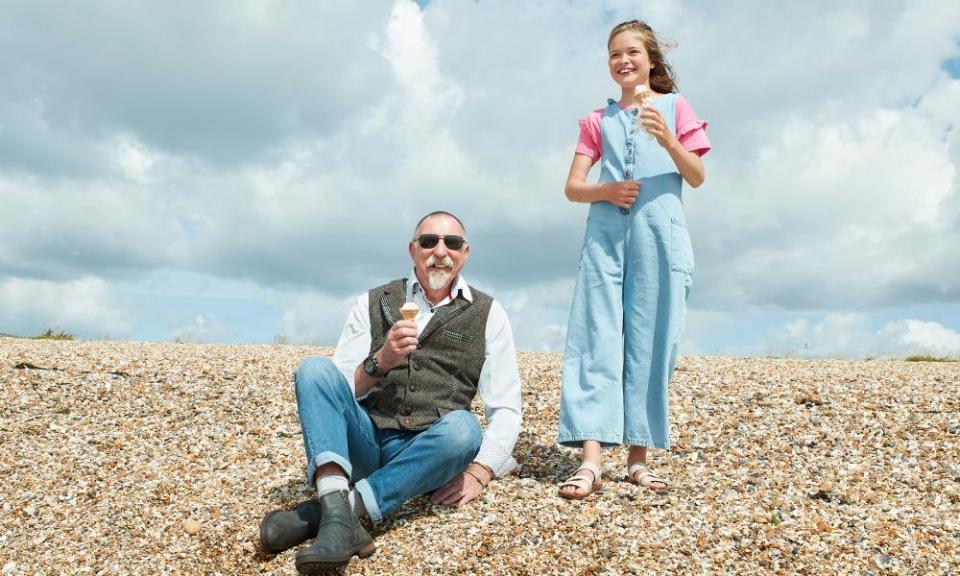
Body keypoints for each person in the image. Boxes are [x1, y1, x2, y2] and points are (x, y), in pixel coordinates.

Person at [259, 211, 522, 574]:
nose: (440, 251)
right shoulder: (374, 301)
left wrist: (481, 471)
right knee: (314, 370)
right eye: (429, 241)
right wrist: (380, 361)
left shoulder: (489, 313)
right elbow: (340, 390)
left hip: (428, 451)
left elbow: (505, 409)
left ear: (466, 252)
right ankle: (344, 515)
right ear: (413, 249)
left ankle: (331, 513)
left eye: (452, 243)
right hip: (366, 438)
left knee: (465, 429)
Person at [556, 20, 711, 499]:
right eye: (614, 54)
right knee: (594, 338)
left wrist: (666, 137)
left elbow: (698, 175)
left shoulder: (675, 107)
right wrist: (607, 190)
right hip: (604, 238)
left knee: (651, 339)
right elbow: (572, 187)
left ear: (650, 59)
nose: (623, 61)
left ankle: (638, 459)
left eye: (632, 53)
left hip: (659, 237)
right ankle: (590, 461)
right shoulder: (595, 121)